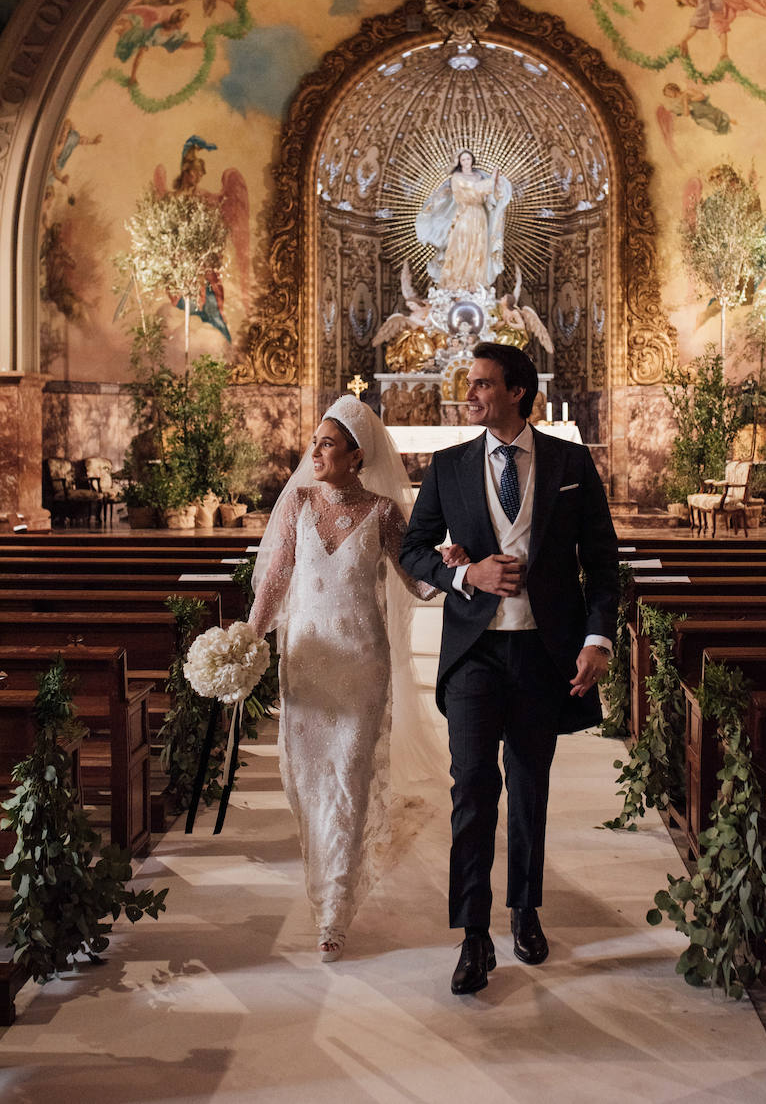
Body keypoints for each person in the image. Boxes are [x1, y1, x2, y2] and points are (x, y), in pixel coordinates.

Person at [400, 342, 619, 994]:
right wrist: (466, 572)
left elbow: (602, 564)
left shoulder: (570, 462)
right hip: (473, 654)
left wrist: (597, 640)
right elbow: (413, 550)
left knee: (528, 788)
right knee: (471, 789)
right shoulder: (448, 467)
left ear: (517, 391)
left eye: (482, 385)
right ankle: (472, 936)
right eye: (470, 384)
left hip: (540, 654)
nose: (470, 395)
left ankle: (524, 909)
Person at [248, 395, 442, 962]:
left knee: (350, 778)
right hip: (307, 662)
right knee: (307, 780)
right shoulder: (300, 504)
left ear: (357, 456)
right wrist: (246, 638)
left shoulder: (383, 512)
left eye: (328, 443)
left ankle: (333, 910)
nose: (315, 450)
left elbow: (419, 582)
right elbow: (276, 578)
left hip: (362, 665)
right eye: (315, 441)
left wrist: (456, 567)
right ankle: (320, 877)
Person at [416, 149, 511, 291]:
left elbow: (489, 196)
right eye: (463, 160)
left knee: (479, 248)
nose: (466, 162)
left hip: (479, 216)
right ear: (459, 162)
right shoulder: (457, 177)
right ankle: (457, 283)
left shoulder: (479, 176)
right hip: (464, 215)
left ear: (472, 160)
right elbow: (473, 191)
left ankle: (475, 284)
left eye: (468, 159)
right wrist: (491, 181)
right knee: (461, 247)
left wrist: (496, 184)